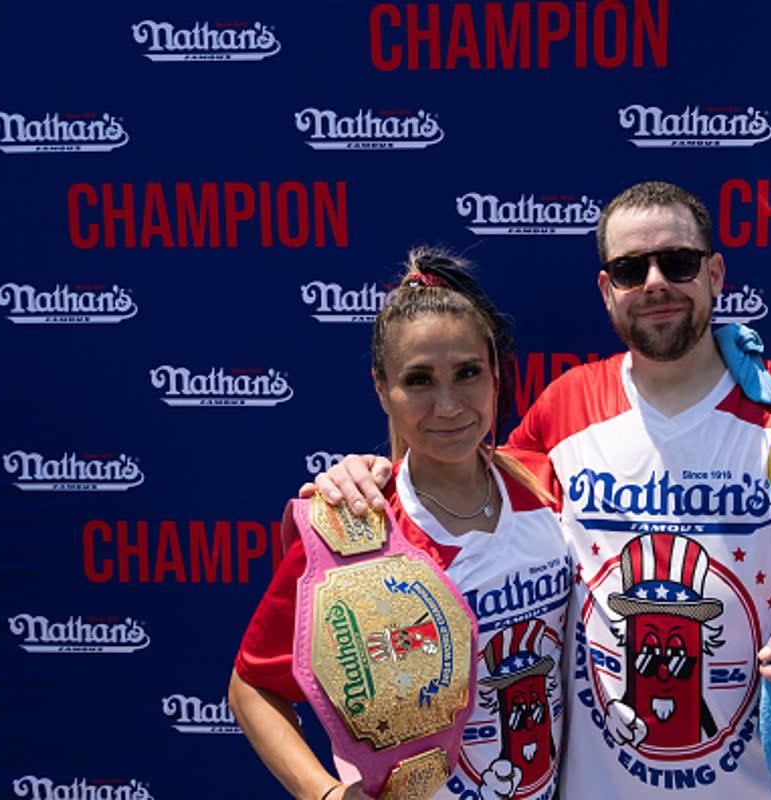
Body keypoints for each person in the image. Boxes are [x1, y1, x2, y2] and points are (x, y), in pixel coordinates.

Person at [314, 181, 771, 799]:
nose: (655, 283)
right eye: (632, 269)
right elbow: (459, 475)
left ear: (715, 275)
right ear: (607, 290)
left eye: (677, 262)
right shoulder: (566, 406)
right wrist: (370, 473)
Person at [229, 248, 571, 800]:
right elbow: (251, 687)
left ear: (495, 374)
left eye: (467, 373)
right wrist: (324, 794)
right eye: (418, 380)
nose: (448, 404)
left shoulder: (544, 483)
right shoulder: (354, 529)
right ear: (380, 388)